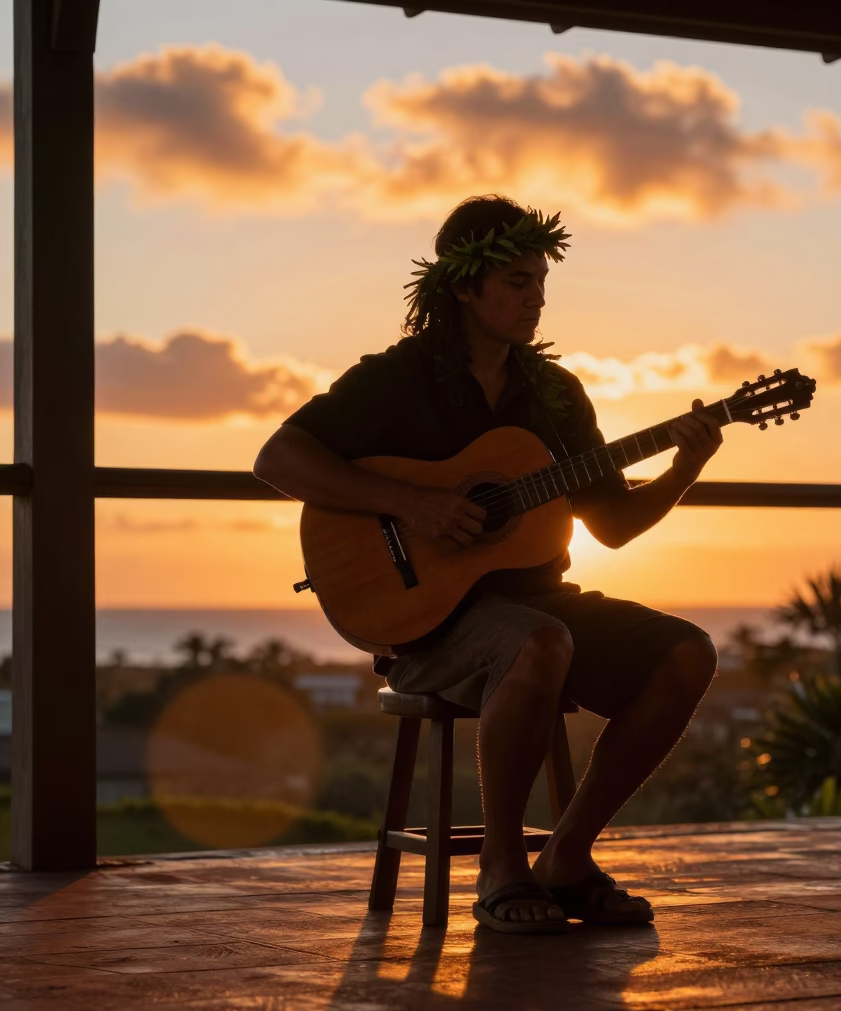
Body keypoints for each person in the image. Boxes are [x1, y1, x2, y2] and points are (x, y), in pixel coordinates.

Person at [254, 195, 722, 934]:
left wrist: (682, 471)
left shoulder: (556, 396)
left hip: (540, 604)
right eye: (516, 282)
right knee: (539, 642)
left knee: (687, 653)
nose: (536, 299)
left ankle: (566, 856)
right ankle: (501, 870)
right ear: (462, 288)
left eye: (541, 281)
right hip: (428, 621)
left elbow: (614, 524)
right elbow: (277, 457)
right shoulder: (397, 378)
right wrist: (413, 504)